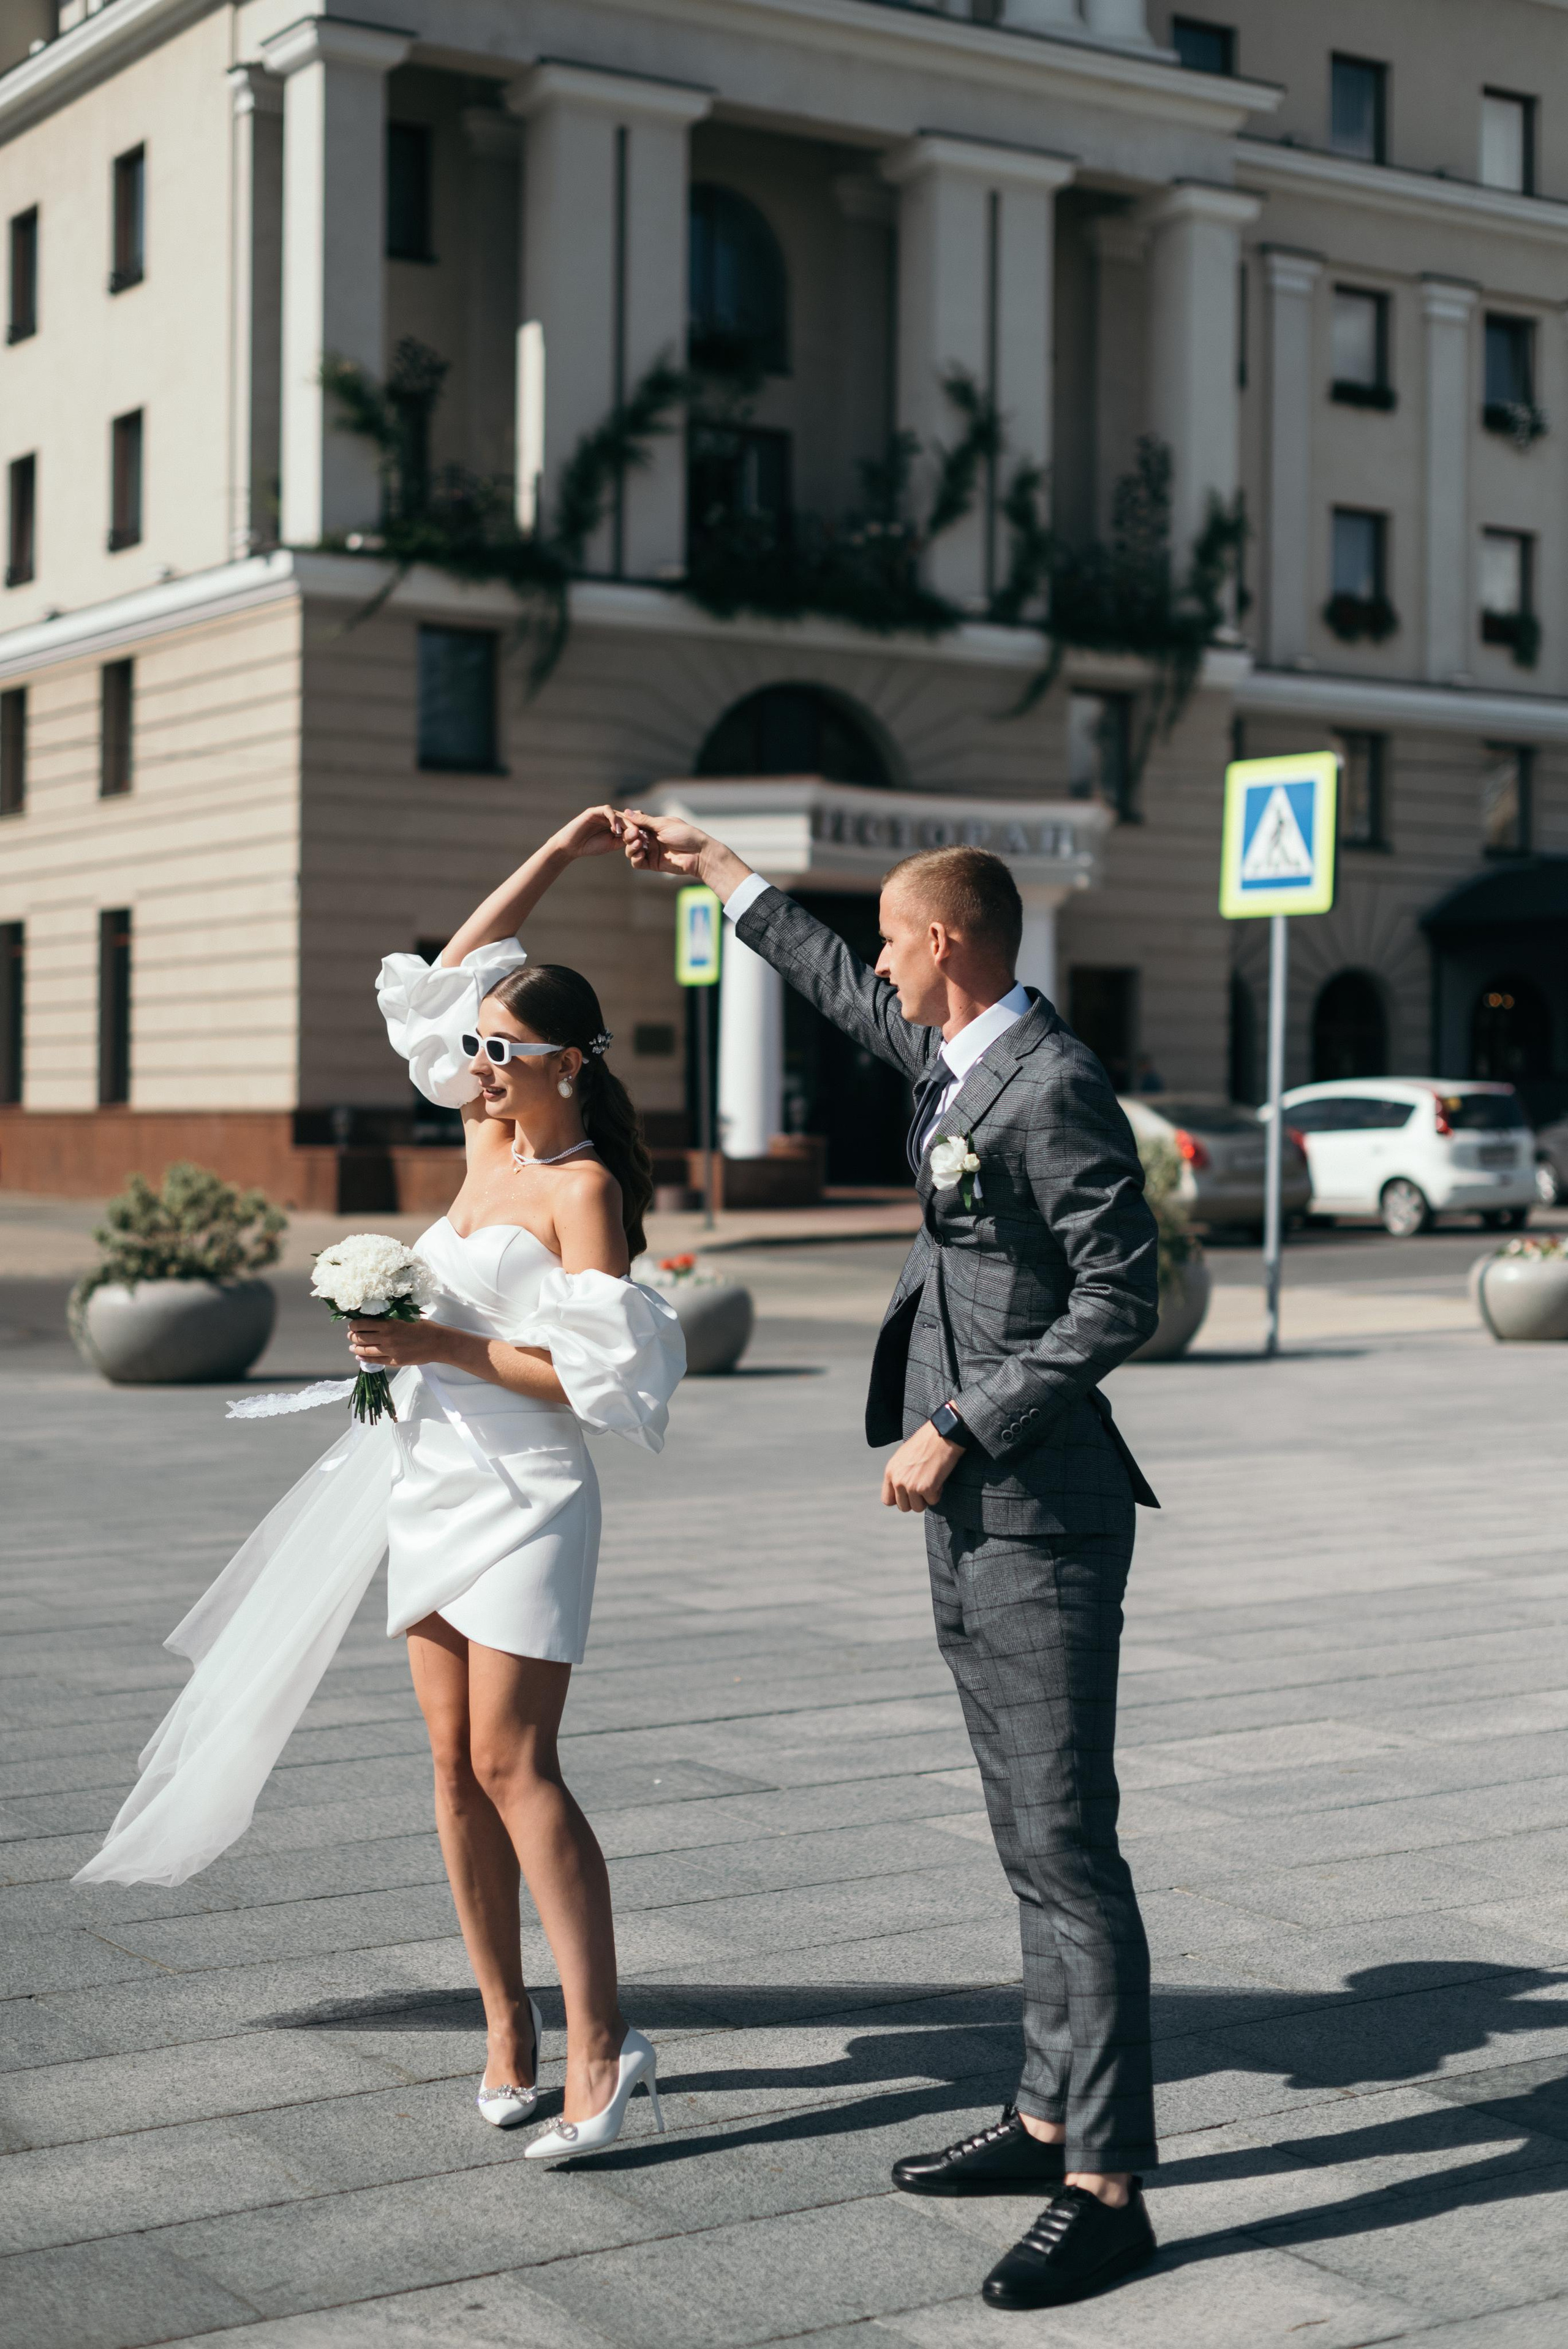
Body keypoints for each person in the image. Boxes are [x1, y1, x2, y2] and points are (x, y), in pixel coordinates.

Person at [76, 808, 684, 2166]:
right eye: (475, 1047)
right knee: (452, 1776)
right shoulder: (486, 1143)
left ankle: (604, 2046)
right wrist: (561, 851)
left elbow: (592, 1380)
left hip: (526, 1492)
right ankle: (507, 2034)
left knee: (517, 1765)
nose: (474, 1064)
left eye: (502, 1052)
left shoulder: (579, 1190)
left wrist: (437, 1344)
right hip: (425, 1473)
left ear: (568, 1065)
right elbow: (453, 962)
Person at [622, 812, 1163, 2311]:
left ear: (941, 940)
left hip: (1038, 1509)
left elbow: (1125, 1295)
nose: (874, 962)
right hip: (976, 1514)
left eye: (888, 938)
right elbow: (838, 992)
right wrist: (724, 873)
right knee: (1023, 1841)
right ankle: (1047, 2114)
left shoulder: (1047, 1082)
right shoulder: (961, 1056)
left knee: (1068, 1853)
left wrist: (961, 1423)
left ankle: (1107, 2188)